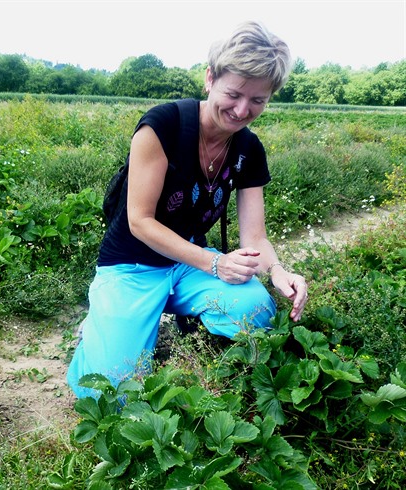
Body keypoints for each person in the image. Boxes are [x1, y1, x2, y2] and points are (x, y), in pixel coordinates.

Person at [67, 20, 308, 398]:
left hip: (186, 264)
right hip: (131, 265)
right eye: (235, 93)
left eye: (258, 100)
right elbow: (139, 222)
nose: (243, 110)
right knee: (108, 393)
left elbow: (255, 236)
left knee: (258, 311)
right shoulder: (163, 125)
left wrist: (278, 272)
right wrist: (215, 263)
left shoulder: (249, 150)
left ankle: (167, 321)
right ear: (210, 78)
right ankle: (102, 326)